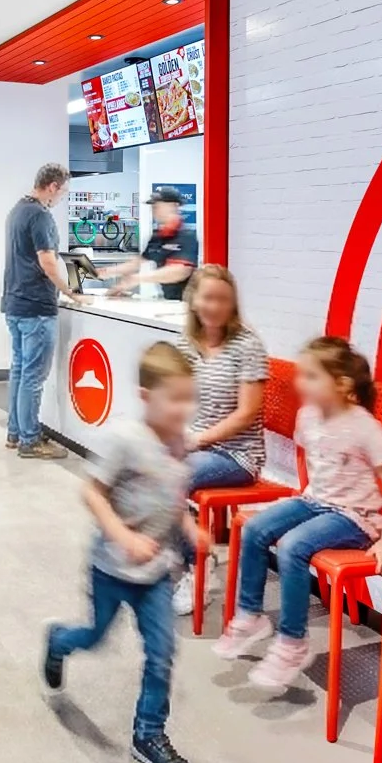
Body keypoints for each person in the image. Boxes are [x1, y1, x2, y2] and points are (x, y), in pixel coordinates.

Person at [42, 341, 202, 763]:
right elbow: (91, 492)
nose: (185, 408)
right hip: (111, 568)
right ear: (147, 396)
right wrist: (124, 535)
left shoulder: (179, 443)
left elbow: (173, 498)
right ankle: (58, 640)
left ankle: (149, 735)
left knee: (162, 652)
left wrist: (189, 529)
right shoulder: (125, 439)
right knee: (95, 638)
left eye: (191, 398)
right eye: (177, 398)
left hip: (156, 575)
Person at [213, 335, 382, 692]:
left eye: (311, 376)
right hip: (315, 500)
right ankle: (250, 616)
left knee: (292, 547)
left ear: (342, 384)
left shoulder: (365, 427)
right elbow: (316, 460)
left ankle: (292, 643)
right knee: (255, 530)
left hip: (355, 516)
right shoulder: (307, 416)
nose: (299, 382)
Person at [169, 264, 270, 615]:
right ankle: (178, 554)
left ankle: (198, 565)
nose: (216, 306)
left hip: (236, 455)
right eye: (209, 298)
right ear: (194, 301)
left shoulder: (247, 346)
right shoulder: (185, 344)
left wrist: (196, 440)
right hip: (194, 444)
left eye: (224, 299)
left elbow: (246, 414)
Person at [2, 161, 82, 459]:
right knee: (33, 376)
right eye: (62, 192)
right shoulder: (40, 215)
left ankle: (15, 432)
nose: (61, 197)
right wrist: (69, 290)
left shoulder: (17, 210)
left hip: (15, 303)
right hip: (36, 306)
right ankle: (30, 440)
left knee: (20, 371)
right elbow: (47, 260)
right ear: (53, 187)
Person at [105, 188, 198, 300]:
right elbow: (138, 262)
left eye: (158, 206)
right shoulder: (158, 236)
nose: (154, 210)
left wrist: (137, 278)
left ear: (174, 205)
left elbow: (180, 271)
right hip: (170, 300)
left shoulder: (187, 235)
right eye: (153, 207)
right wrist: (105, 272)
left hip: (189, 302)